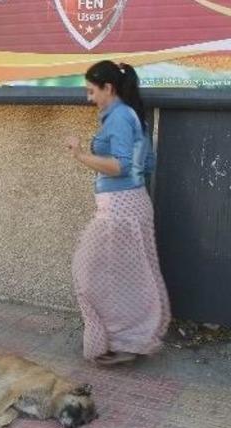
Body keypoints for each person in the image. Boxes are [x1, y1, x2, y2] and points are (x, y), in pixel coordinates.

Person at [65, 61, 171, 366]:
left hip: (121, 209)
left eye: (91, 91)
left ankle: (125, 340)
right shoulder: (128, 115)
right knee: (123, 278)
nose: (88, 98)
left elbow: (119, 165)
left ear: (108, 88)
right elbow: (145, 164)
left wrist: (80, 154)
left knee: (87, 272)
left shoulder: (120, 118)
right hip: (127, 204)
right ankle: (124, 341)